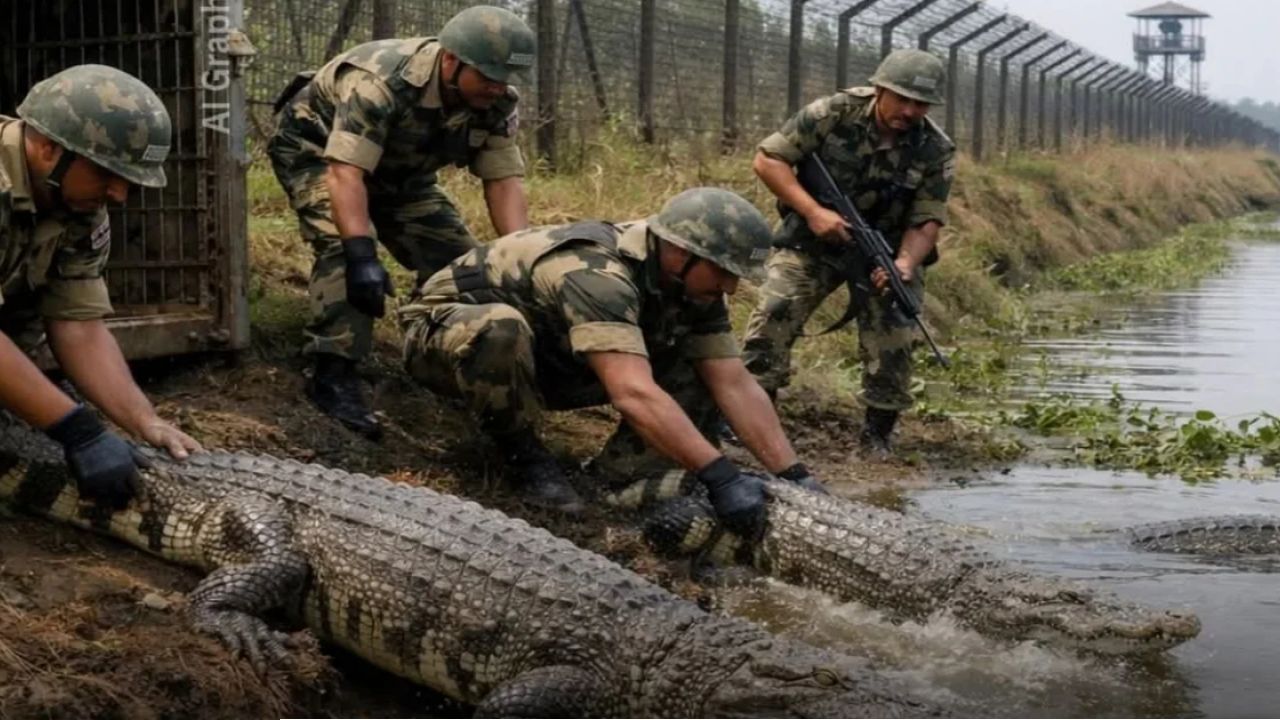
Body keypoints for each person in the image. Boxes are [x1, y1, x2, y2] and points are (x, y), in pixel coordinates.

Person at [399, 188, 823, 532]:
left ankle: (613, 480)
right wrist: (721, 476)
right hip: (447, 344)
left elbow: (732, 382)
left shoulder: (692, 285)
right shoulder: (597, 273)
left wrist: (795, 475)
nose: (730, 287)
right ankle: (523, 456)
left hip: (548, 358)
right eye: (723, 272)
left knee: (700, 368)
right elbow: (631, 391)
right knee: (500, 328)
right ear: (680, 252)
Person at [268, 5, 535, 439]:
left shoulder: (497, 101)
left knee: (463, 265)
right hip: (319, 155)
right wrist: (360, 252)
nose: (496, 87)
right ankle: (333, 372)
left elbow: (503, 181)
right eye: (487, 76)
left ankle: (437, 354)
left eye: (504, 78)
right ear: (451, 61)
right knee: (344, 246)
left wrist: (523, 256)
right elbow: (345, 173)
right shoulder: (379, 81)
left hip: (402, 173)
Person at [0, 64, 202, 508]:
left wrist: (142, 419)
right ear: (49, 149)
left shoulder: (78, 205)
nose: (118, 195)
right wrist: (78, 429)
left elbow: (78, 325)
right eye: (107, 175)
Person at [740, 48, 956, 458]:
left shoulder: (935, 149)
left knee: (896, 329)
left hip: (885, 252)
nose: (910, 111)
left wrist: (905, 264)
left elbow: (927, 220)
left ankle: (877, 436)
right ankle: (752, 417)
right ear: (880, 89)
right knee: (775, 309)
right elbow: (769, 160)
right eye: (902, 98)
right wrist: (814, 212)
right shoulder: (832, 112)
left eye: (920, 103)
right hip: (813, 239)